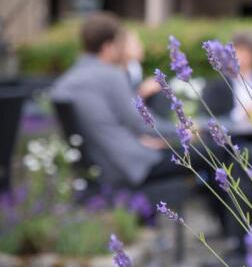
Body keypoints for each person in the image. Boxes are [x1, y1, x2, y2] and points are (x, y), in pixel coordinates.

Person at [50, 12, 215, 188]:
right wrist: (184, 130)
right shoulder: (110, 75)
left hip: (102, 166)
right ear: (108, 47)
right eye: (120, 44)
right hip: (132, 166)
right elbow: (141, 123)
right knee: (216, 153)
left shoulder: (67, 80)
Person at [201, 32, 252, 121]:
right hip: (233, 133)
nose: (242, 57)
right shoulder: (217, 85)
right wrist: (240, 114)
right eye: (238, 51)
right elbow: (207, 116)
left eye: (246, 52)